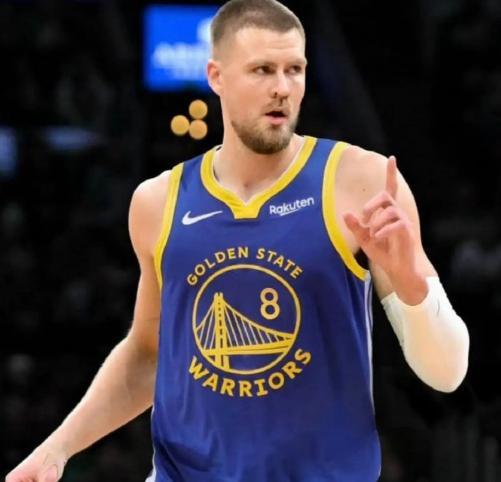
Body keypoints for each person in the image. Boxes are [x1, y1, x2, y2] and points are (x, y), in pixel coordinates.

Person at [5, 0, 470, 481]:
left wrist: (411, 284)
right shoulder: (157, 201)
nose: (282, 88)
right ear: (216, 77)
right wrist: (57, 448)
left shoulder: (362, 181)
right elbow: (147, 355)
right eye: (262, 70)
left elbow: (447, 372)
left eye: (294, 70)